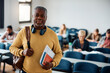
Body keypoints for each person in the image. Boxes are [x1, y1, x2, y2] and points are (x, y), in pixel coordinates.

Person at [9, 6, 62, 73]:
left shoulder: (53, 34)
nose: (39, 18)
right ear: (32, 16)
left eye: (42, 16)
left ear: (46, 18)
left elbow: (59, 53)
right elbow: (12, 48)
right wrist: (22, 52)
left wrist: (52, 64)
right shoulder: (23, 32)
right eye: (36, 15)